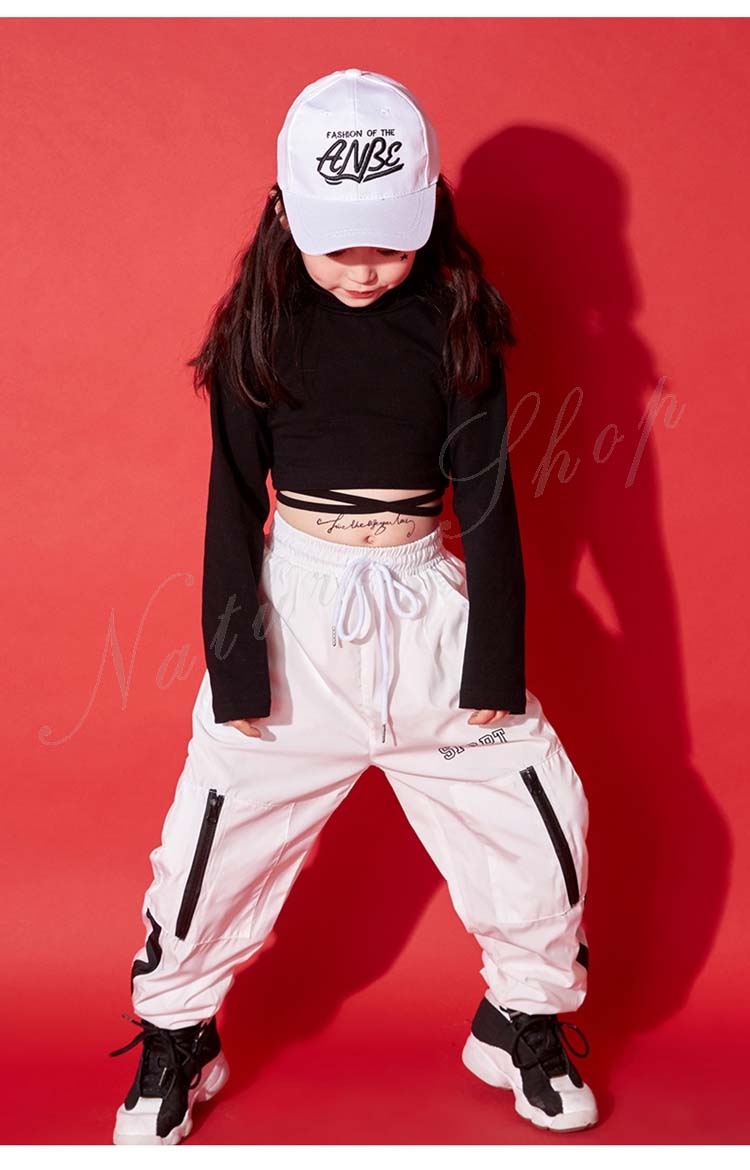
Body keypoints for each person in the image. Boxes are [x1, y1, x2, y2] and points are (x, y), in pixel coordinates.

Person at [108, 68, 597, 1144]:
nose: (366, 268)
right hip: (295, 619)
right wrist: (237, 668)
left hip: (430, 611)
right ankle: (178, 1032)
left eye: (390, 241)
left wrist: (492, 661)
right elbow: (231, 505)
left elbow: (490, 500)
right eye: (340, 245)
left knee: (537, 816)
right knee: (215, 838)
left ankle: (519, 1018)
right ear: (285, 212)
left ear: (429, 215)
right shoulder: (259, 332)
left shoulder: (455, 327)